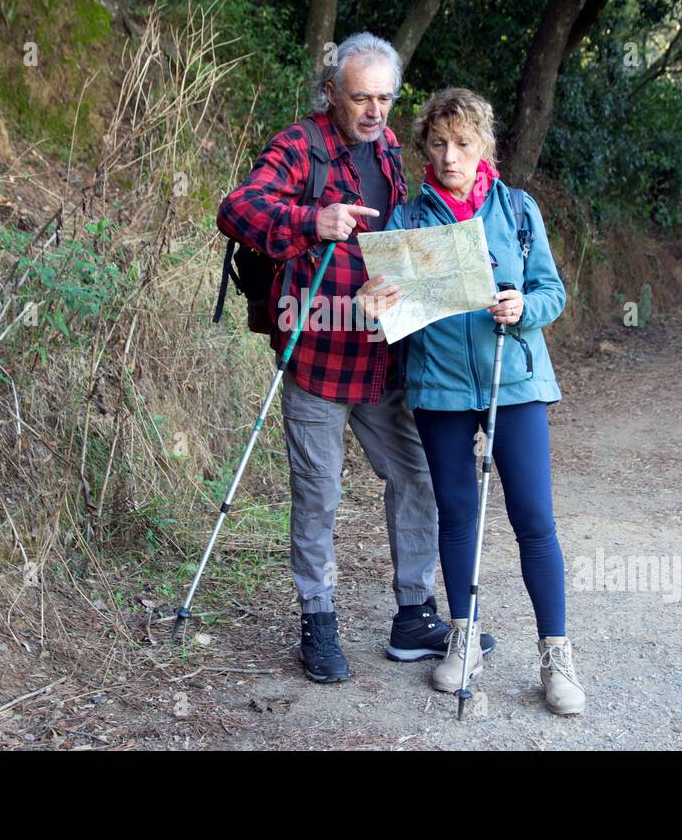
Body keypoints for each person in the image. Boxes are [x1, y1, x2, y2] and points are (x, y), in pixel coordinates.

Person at [217, 35, 494, 683]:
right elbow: (238, 209)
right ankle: (317, 619)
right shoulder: (300, 145)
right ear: (331, 93)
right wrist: (314, 221)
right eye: (360, 97)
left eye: (384, 98)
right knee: (319, 494)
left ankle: (414, 614)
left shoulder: (395, 151)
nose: (374, 111)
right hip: (315, 352)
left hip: (380, 357)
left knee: (418, 475)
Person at [358, 87, 585, 714]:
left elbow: (551, 293)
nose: (450, 156)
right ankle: (461, 641)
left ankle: (556, 656)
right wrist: (375, 303)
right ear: (425, 150)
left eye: (462, 143)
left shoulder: (516, 211)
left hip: (514, 383)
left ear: (484, 146)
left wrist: (522, 306)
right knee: (456, 514)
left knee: (533, 517)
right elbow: (385, 311)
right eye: (438, 144)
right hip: (438, 388)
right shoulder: (407, 220)